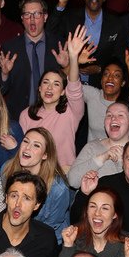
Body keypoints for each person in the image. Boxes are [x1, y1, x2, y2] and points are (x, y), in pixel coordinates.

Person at [18, 25, 86, 171]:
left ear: (63, 91)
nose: (49, 88)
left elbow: (74, 88)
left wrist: (73, 58)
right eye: (45, 83)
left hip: (62, 176)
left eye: (56, 84)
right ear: (39, 88)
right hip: (34, 175)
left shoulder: (71, 112)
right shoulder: (26, 114)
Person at [48, 0, 125, 86]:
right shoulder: (70, 17)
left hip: (99, 85)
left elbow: (120, 57)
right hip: (69, 81)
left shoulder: (116, 24)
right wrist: (61, 5)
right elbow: (49, 32)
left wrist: (100, 68)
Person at [0, 0, 62, 117]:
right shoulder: (9, 48)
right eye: (27, 14)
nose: (32, 19)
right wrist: (4, 74)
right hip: (19, 116)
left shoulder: (59, 46)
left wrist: (67, 65)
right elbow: (0, 89)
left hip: (53, 115)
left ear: (45, 17)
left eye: (37, 14)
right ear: (22, 18)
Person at [57, 187, 129, 257]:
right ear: (86, 211)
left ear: (115, 214)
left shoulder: (126, 243)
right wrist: (68, 246)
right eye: (92, 206)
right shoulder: (75, 237)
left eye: (105, 208)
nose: (97, 213)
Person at [2, 128, 70, 244]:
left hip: (48, 239)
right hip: (16, 231)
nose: (28, 148)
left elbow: (50, 226)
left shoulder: (58, 188)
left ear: (44, 155)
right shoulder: (6, 170)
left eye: (36, 146)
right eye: (26, 141)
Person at [78, 41, 129, 142]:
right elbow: (70, 85)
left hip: (118, 155)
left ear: (122, 83)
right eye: (106, 74)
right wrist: (75, 61)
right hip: (93, 155)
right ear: (101, 80)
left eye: (116, 75)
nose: (110, 78)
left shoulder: (124, 104)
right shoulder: (93, 95)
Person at [68, 101, 129, 189]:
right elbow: (72, 181)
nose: (113, 119)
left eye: (120, 115)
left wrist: (121, 163)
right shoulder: (92, 146)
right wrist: (102, 158)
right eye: (109, 115)